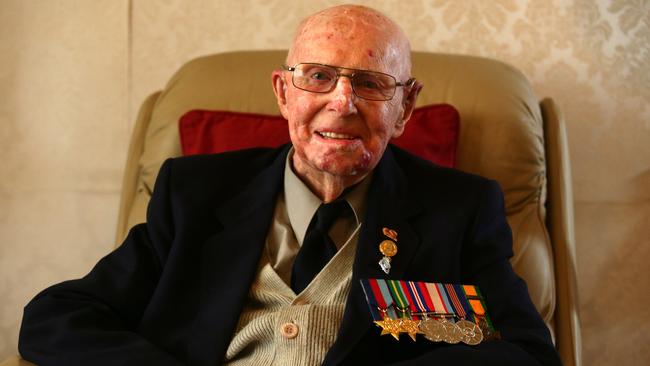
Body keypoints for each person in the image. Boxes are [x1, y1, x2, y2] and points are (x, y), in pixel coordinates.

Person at [19, 4, 561, 366]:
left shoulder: (459, 209)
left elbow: (527, 351)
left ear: (404, 108)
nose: (342, 103)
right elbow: (56, 317)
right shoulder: (195, 194)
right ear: (284, 93)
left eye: (371, 84)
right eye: (319, 77)